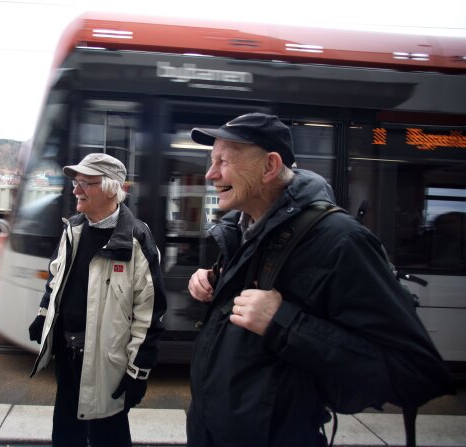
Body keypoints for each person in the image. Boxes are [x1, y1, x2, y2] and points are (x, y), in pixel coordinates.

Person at [186, 113, 453, 446]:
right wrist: (214, 280)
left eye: (223, 161)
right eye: (211, 161)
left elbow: (416, 373)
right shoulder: (242, 230)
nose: (210, 174)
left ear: (269, 167)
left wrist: (284, 323)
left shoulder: (340, 241)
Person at [28, 153, 167, 447]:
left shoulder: (136, 239)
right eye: (76, 182)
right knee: (66, 434)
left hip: (109, 366)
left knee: (109, 436)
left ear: (110, 188)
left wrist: (138, 373)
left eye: (84, 183)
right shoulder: (73, 229)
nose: (75, 189)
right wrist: (44, 314)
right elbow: (55, 276)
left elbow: (150, 312)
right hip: (67, 357)